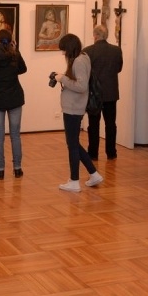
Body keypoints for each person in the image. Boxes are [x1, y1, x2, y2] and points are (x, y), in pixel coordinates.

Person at [54, 33, 103, 192]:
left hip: (74, 108)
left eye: (64, 50)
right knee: (74, 143)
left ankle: (74, 181)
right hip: (73, 107)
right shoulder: (81, 58)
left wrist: (62, 79)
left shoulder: (80, 61)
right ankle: (93, 174)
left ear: (70, 48)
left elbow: (81, 87)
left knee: (72, 145)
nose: (63, 53)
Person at [0, 29, 27, 179]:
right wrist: (16, 50)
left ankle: (0, 169)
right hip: (14, 97)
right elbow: (23, 70)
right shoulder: (14, 54)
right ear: (11, 40)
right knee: (15, 135)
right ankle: (17, 168)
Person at [83, 25, 123, 160]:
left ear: (95, 35)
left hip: (94, 94)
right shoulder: (116, 50)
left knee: (93, 124)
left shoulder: (88, 51)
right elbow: (119, 68)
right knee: (111, 124)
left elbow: (85, 72)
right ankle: (111, 152)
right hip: (111, 93)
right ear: (106, 35)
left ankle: (93, 153)